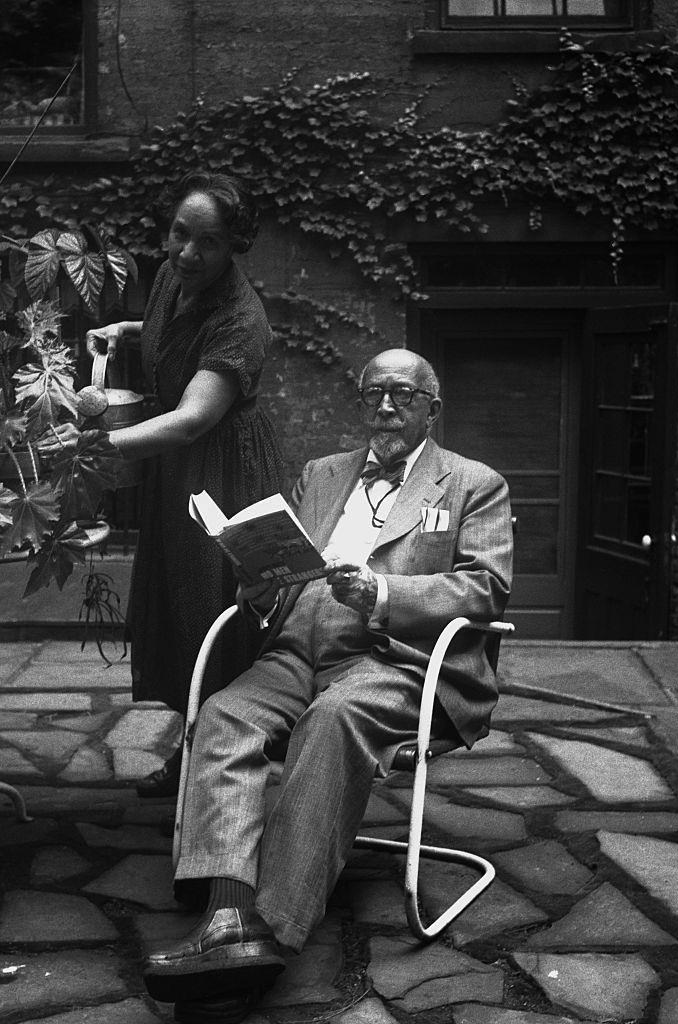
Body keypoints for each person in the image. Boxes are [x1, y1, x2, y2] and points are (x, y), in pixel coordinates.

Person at [141, 348, 514, 1023]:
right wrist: (255, 587)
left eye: (402, 394)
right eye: (373, 393)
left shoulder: (470, 483)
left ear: (432, 406)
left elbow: (484, 588)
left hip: (395, 656)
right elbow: (284, 568)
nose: (385, 407)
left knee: (333, 717)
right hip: (294, 647)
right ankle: (226, 918)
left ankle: (270, 931)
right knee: (226, 714)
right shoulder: (321, 474)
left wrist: (383, 591)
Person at [86, 171, 284, 798]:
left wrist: (92, 446)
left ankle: (226, 749)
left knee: (213, 604)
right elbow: (176, 333)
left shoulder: (242, 319)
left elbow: (196, 417)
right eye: (179, 234)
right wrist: (127, 329)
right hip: (179, 469)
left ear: (234, 249)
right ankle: (196, 741)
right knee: (176, 600)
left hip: (224, 470)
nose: (188, 252)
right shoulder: (175, 276)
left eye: (209, 243)